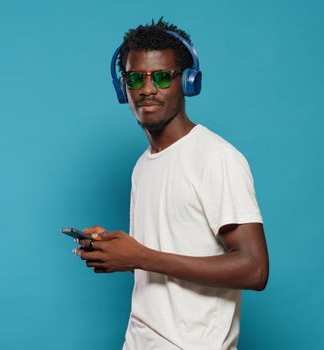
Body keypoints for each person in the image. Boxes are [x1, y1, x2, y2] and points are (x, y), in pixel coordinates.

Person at [74, 18, 269, 350]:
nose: (148, 89)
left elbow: (254, 268)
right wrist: (114, 251)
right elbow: (166, 247)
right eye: (136, 78)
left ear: (188, 82)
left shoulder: (216, 158)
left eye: (162, 76)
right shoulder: (143, 166)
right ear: (123, 88)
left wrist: (140, 256)